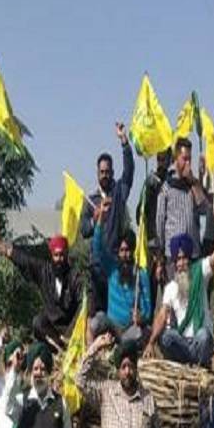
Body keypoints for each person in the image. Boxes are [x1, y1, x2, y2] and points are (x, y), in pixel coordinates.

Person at [79, 122, 137, 315]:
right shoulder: (90, 200)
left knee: (114, 313)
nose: (105, 175)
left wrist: (124, 142)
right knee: (96, 314)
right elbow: (84, 230)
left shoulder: (118, 192)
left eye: (108, 171)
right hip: (96, 266)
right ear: (97, 173)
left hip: (115, 265)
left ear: (112, 172)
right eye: (101, 172)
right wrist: (95, 218)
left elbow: (129, 173)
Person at [0, 230, 83, 348]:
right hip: (52, 330)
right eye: (56, 255)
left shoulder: (75, 277)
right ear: (51, 255)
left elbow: (82, 305)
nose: (59, 259)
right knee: (38, 322)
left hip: (72, 328)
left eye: (62, 255)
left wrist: (72, 332)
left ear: (66, 255)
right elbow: (23, 260)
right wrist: (0, 246)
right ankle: (58, 348)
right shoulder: (44, 271)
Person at [145, 234, 214, 367]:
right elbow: (162, 315)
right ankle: (185, 364)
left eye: (183, 259)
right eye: (177, 260)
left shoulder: (200, 273)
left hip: (199, 342)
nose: (181, 264)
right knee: (166, 337)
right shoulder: (170, 288)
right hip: (183, 343)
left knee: (204, 335)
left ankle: (201, 363)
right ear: (174, 263)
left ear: (189, 259)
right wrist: (151, 342)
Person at [89, 199, 152, 339]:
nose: (126, 254)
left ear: (134, 250)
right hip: (111, 326)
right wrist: (100, 220)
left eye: (129, 250)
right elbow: (97, 247)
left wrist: (141, 317)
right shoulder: (111, 268)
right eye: (122, 250)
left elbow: (147, 308)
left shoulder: (140, 275)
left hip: (130, 329)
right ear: (118, 252)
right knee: (95, 322)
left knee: (139, 333)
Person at [155, 138, 210, 267]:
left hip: (193, 254)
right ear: (176, 159)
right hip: (173, 256)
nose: (188, 163)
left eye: (190, 159)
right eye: (184, 159)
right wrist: (160, 253)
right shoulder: (167, 187)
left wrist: (194, 183)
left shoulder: (192, 185)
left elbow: (204, 210)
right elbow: (160, 221)